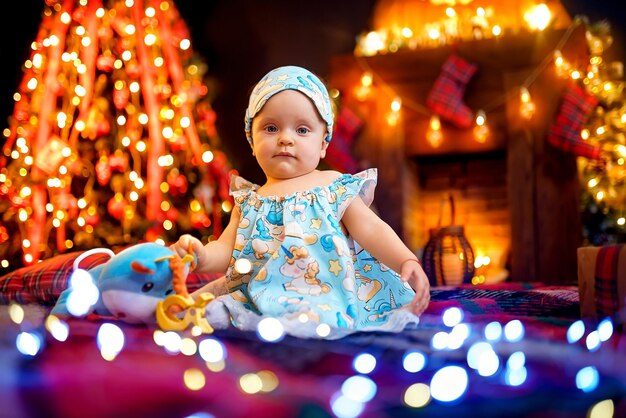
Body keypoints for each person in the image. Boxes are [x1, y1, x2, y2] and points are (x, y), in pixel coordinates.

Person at [170, 65, 430, 339]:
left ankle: (295, 326)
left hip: (322, 289)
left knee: (313, 312)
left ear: (323, 144)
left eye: (302, 130)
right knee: (223, 303)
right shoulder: (249, 201)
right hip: (258, 293)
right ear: (252, 140)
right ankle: (224, 317)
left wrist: (405, 260)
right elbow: (226, 249)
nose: (285, 138)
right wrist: (200, 257)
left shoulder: (332, 185)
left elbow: (371, 229)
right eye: (271, 128)